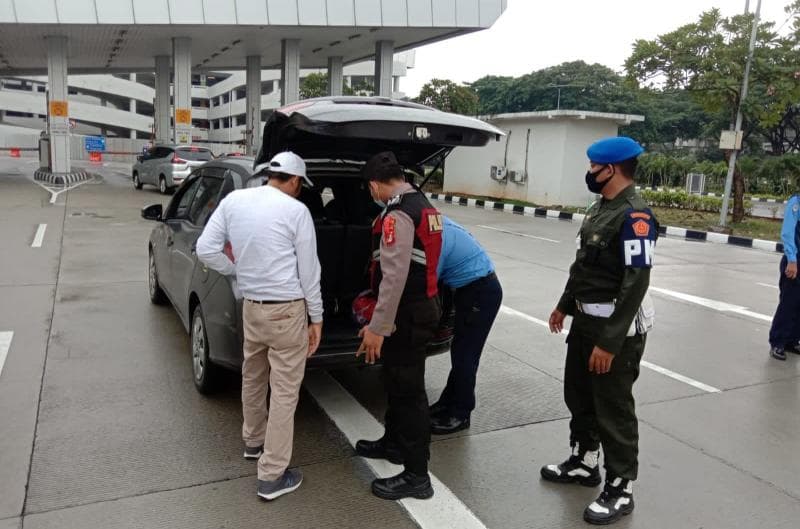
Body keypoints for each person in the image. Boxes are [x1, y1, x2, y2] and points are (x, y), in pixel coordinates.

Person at [541, 136, 657, 525]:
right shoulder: (601, 208)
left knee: (613, 406)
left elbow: (635, 282)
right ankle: (584, 461)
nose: (589, 173)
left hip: (616, 327)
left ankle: (621, 487)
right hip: (585, 320)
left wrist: (610, 341)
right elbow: (583, 267)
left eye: (594, 167)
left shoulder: (635, 216)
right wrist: (563, 305)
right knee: (579, 393)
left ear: (612, 169)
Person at [196, 151, 323, 501]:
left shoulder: (235, 201)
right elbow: (310, 272)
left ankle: (253, 442)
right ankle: (272, 475)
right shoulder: (297, 212)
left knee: (253, 376)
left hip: (251, 307)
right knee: (284, 391)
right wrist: (317, 317)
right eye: (301, 185)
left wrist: (237, 271)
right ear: (295, 181)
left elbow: (206, 248)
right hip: (287, 311)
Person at [354, 151, 443, 500]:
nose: (371, 196)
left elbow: (393, 276)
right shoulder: (424, 205)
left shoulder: (398, 215)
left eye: (370, 190)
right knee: (396, 381)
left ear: (376, 185)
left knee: (410, 394)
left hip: (407, 313)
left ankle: (417, 476)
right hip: (421, 306)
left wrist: (378, 326)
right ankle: (393, 444)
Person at [428, 217, 502, 434]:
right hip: (471, 290)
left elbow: (429, 280)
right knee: (461, 352)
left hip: (480, 292)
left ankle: (460, 414)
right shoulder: (438, 222)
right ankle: (447, 402)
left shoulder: (438, 235)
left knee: (465, 356)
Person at [768, 194, 800, 361]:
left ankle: (792, 340)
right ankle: (778, 342)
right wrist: (792, 260)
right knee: (789, 302)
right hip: (795, 260)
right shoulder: (796, 202)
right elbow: (788, 233)